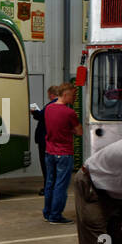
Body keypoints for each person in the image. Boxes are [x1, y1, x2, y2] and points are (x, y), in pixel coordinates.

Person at [43, 83, 81, 224]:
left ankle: (47, 213)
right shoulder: (70, 113)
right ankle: (56, 215)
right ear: (65, 94)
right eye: (73, 94)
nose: (75, 97)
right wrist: (69, 130)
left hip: (49, 151)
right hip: (64, 152)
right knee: (61, 185)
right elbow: (79, 131)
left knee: (50, 183)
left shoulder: (48, 108)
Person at [32, 85, 59, 195]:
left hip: (45, 140)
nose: (48, 96)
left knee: (46, 164)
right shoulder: (59, 105)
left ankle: (48, 188)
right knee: (52, 165)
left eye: (48, 94)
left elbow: (42, 116)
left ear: (51, 94)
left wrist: (34, 112)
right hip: (51, 139)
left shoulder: (51, 105)